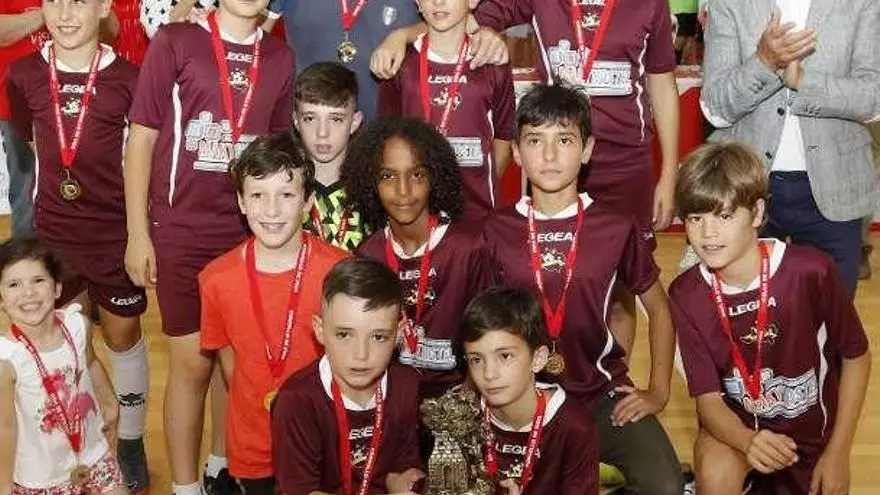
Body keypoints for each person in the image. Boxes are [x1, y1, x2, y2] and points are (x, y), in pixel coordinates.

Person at [372, 0, 681, 361]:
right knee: (544, 277)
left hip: (625, 165)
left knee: (621, 288)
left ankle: (610, 380)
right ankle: (539, 373)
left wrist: (669, 173)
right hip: (556, 156)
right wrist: (402, 35)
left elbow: (662, 83)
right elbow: (460, 15)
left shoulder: (650, 4)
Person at [124, 0, 295, 493]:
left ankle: (222, 468)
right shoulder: (176, 41)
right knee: (191, 365)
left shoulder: (280, 56)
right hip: (181, 228)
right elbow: (141, 139)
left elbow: (278, 151)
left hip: (246, 232)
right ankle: (184, 487)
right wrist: (138, 233)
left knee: (237, 362)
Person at [483, 84, 682, 494]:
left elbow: (660, 309)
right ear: (516, 152)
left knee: (665, 486)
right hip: (522, 398)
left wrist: (658, 392)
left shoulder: (615, 227)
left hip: (601, 397)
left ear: (587, 149)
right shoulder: (495, 230)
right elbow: (480, 326)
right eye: (535, 141)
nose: (549, 155)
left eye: (564, 140)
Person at [669, 142, 871, 494]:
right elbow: (708, 400)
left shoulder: (810, 271)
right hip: (735, 434)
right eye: (695, 218)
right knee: (716, 473)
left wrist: (838, 453)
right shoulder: (686, 293)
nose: (708, 233)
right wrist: (747, 440)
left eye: (724, 216)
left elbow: (857, 358)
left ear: (757, 212)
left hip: (810, 442)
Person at [6, 0, 150, 491]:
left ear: (105, 6)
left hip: (114, 236)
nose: (67, 13)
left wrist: (139, 236)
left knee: (121, 338)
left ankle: (130, 439)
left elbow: (141, 161)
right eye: (56, 1)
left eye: (81, 1)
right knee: (68, 340)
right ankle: (78, 440)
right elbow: (30, 142)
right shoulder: (23, 74)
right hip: (55, 237)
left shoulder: (129, 79)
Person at [700, 0, 880, 298]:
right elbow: (716, 109)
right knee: (746, 316)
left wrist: (803, 82)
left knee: (831, 319)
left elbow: (873, 98)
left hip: (836, 190)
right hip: (744, 190)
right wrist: (763, 62)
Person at [200, 133, 348, 494]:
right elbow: (231, 369)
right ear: (241, 201)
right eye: (258, 195)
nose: (271, 210)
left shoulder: (340, 272)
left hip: (324, 441)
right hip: (253, 445)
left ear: (307, 200)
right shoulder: (215, 279)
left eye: (286, 195)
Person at [345, 116, 494, 401]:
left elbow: (490, 331)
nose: (403, 191)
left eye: (416, 175)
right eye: (388, 176)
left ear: (434, 178)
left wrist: (464, 402)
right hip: (392, 402)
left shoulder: (469, 247)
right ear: (371, 183)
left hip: (463, 398)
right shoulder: (367, 256)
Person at [271, 257, 425, 494]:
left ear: (399, 333)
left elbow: (400, 471)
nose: (361, 354)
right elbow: (302, 490)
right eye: (344, 335)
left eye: (378, 337)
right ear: (320, 330)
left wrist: (412, 485)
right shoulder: (296, 400)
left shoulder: (406, 384)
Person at [0, 238, 124, 495]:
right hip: (42, 479)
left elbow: (91, 362)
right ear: (1, 299)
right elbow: (4, 427)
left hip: (94, 459)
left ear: (57, 288)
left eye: (38, 280)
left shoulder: (78, 325)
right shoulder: (8, 359)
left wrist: (110, 402)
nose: (28, 293)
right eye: (14, 284)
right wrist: (4, 486)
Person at [377, 0, 515, 221]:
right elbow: (386, 141)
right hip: (416, 215)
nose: (438, 2)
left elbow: (504, 138)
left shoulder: (493, 62)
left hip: (477, 214)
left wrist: (481, 185)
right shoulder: (400, 64)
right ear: (418, 3)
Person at [462, 286, 599, 495]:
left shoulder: (573, 427)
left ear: (538, 359)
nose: (489, 374)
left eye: (505, 356)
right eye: (476, 359)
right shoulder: (461, 417)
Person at [294, 62, 368, 251]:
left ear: (354, 122)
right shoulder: (285, 190)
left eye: (336, 119)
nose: (322, 133)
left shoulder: (371, 192)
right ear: (296, 121)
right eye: (310, 118)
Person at [0, 1, 47, 238]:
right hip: (15, 104)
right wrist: (49, 13)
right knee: (26, 186)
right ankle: (25, 254)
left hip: (69, 99)